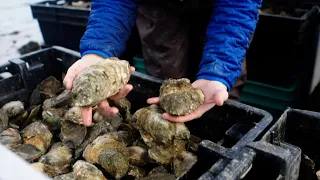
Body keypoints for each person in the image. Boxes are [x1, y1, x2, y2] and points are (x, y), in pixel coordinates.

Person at [63, 0, 261, 126]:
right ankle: (168, 127)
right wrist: (98, 51)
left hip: (227, 7)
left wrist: (219, 72)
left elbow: (239, 5)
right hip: (159, 6)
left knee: (218, 92)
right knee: (166, 72)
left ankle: (218, 132)